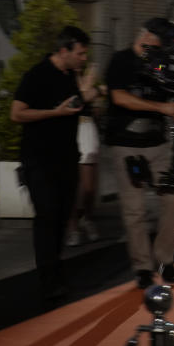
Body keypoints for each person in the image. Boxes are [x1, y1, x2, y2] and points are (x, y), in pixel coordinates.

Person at [10, 25, 97, 299]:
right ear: (64, 50)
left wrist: (92, 94)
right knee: (47, 217)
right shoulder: (37, 75)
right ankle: (48, 280)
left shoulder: (70, 75)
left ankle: (57, 274)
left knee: (61, 218)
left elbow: (78, 106)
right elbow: (17, 114)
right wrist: (54, 112)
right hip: (39, 159)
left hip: (67, 158)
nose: (83, 58)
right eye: (80, 53)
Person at [105, 18, 174, 289]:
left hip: (158, 144)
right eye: (158, 40)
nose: (161, 46)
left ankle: (165, 260)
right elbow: (119, 98)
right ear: (145, 37)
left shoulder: (161, 63)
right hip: (126, 143)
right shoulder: (120, 60)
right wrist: (161, 108)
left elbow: (170, 92)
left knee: (172, 200)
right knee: (135, 209)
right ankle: (142, 266)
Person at [66, 76, 103, 247]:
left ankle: (87, 218)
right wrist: (89, 91)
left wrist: (96, 101)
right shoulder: (65, 79)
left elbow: (96, 110)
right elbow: (75, 103)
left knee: (89, 187)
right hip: (73, 129)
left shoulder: (88, 79)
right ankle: (73, 226)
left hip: (88, 129)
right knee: (75, 186)